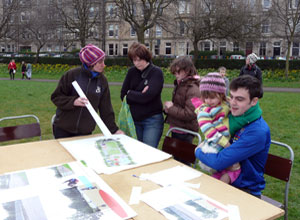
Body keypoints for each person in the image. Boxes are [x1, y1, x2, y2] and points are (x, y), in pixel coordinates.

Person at [195, 75, 270, 197]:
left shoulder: (257, 131)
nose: (232, 103)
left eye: (239, 99)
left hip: (245, 191)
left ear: (254, 101)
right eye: (232, 97)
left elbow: (218, 162)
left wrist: (198, 150)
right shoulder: (232, 116)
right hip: (225, 182)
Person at [51, 44, 123, 139]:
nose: (104, 65)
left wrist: (114, 130)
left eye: (103, 61)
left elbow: (106, 108)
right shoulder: (72, 75)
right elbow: (56, 97)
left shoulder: (102, 81)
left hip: (85, 132)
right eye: (100, 62)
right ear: (91, 63)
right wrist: (73, 102)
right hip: (63, 129)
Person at [194, 72, 241, 184]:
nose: (209, 101)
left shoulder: (224, 104)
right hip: (215, 144)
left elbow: (230, 105)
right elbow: (209, 131)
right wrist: (226, 144)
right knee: (233, 169)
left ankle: (217, 188)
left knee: (228, 171)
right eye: (205, 98)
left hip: (224, 143)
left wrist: (230, 101)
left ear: (221, 94)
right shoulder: (204, 112)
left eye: (212, 97)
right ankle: (218, 187)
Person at [120, 42, 164, 148]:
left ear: (146, 57)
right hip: (134, 119)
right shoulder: (131, 72)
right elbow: (123, 95)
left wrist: (131, 93)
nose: (137, 63)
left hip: (152, 120)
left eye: (139, 59)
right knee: (137, 150)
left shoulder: (156, 72)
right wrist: (137, 94)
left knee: (149, 151)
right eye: (134, 60)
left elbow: (148, 97)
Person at [164, 56, 201, 145]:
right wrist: (168, 109)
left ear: (187, 71)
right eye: (174, 72)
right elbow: (179, 105)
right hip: (177, 128)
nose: (176, 74)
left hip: (185, 131)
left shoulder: (193, 88)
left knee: (182, 158)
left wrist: (171, 108)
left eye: (178, 72)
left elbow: (190, 113)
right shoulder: (181, 84)